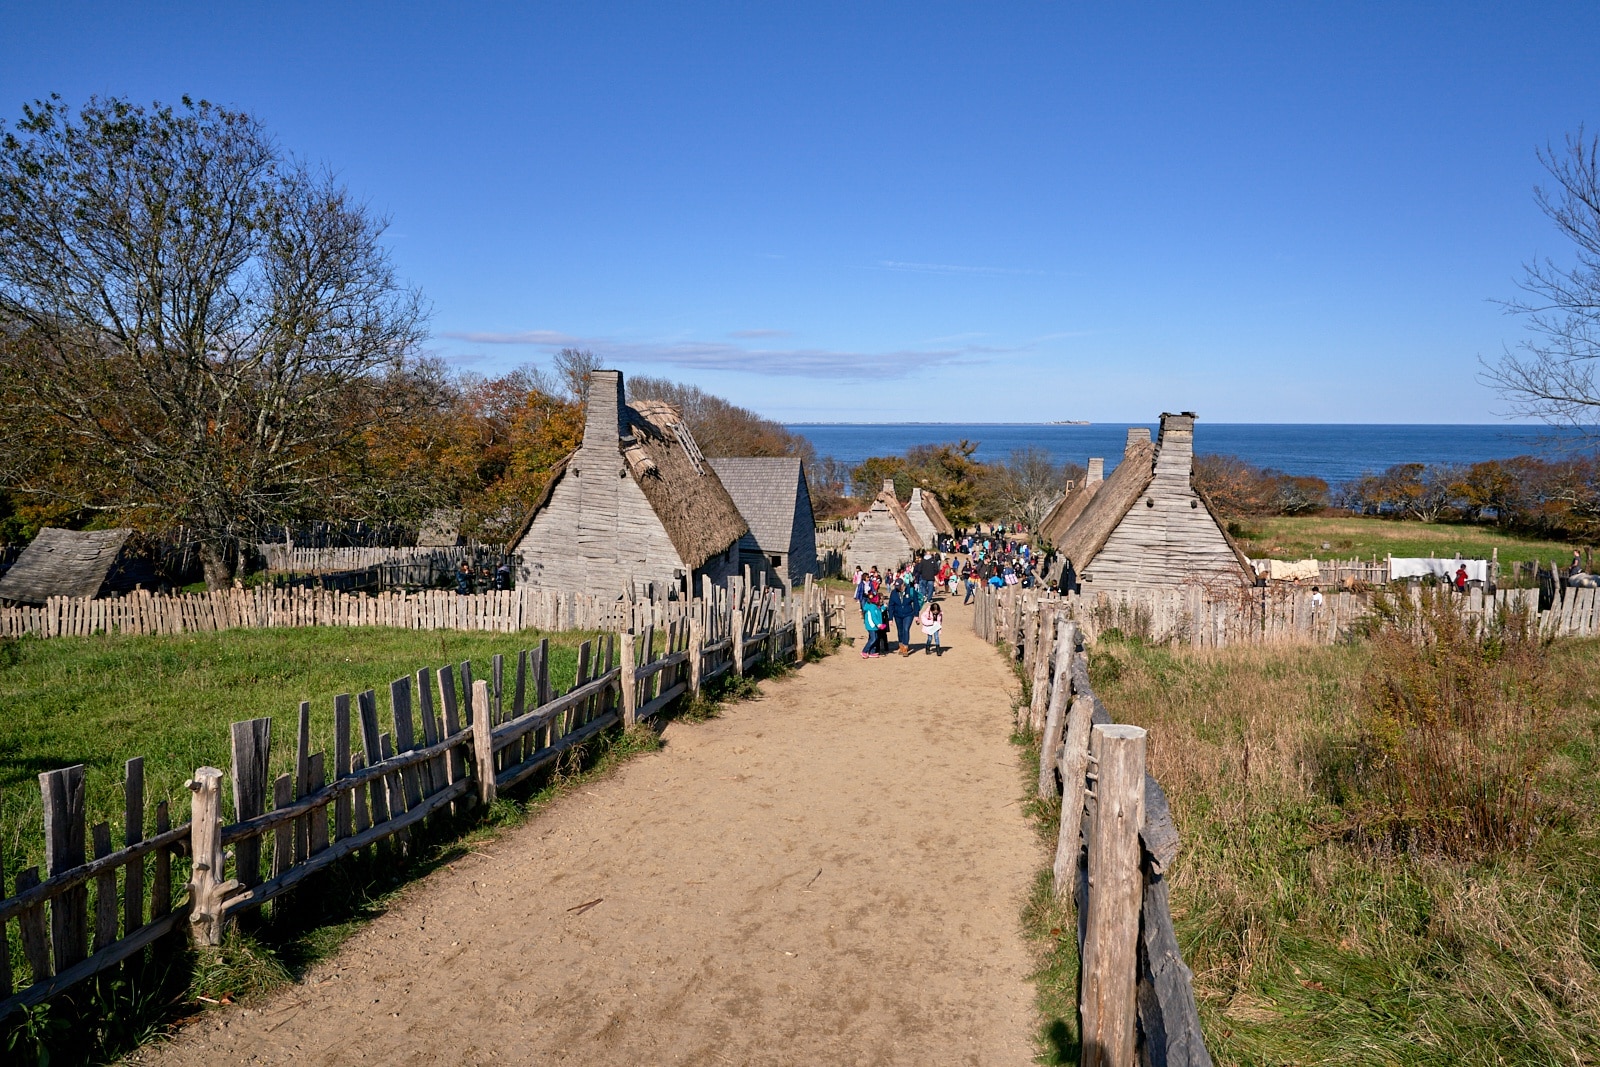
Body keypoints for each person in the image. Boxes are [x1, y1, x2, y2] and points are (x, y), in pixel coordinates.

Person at [888, 580, 917, 656]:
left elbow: (916, 603)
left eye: (899, 586)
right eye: (896, 586)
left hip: (908, 614)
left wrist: (916, 615)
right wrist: (890, 618)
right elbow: (891, 605)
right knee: (900, 630)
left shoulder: (910, 591)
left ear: (903, 584)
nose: (898, 588)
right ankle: (900, 645)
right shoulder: (894, 592)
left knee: (906, 629)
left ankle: (905, 647)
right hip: (897, 614)